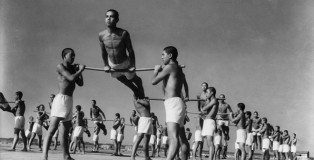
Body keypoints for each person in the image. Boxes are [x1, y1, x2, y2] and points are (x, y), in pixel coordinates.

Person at [42, 48, 85, 160]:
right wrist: (79, 70)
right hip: (61, 99)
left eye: (74, 55)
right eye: (71, 55)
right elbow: (71, 78)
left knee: (65, 131)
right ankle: (44, 157)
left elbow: (80, 83)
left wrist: (80, 71)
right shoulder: (60, 66)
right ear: (64, 56)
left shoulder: (72, 69)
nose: (73, 57)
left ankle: (66, 156)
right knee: (52, 129)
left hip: (69, 100)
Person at [152, 46, 190, 160]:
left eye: (163, 54)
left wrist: (156, 71)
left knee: (173, 137)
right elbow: (183, 82)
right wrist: (187, 95)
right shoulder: (178, 69)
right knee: (182, 138)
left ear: (170, 55)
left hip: (173, 104)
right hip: (178, 103)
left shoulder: (169, 67)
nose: (161, 57)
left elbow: (153, 81)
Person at [99, 9, 145, 99]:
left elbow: (130, 50)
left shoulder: (123, 33)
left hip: (125, 63)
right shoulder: (101, 35)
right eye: (107, 16)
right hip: (112, 64)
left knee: (136, 80)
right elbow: (103, 52)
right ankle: (135, 90)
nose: (108, 19)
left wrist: (132, 65)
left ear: (117, 20)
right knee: (120, 78)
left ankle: (142, 97)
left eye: (111, 17)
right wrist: (105, 65)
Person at [200, 87, 219, 160]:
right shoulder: (211, 100)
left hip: (210, 122)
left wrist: (207, 101)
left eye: (207, 92)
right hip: (207, 121)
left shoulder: (214, 100)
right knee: (208, 143)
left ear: (212, 93)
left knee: (210, 143)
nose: (206, 94)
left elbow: (204, 108)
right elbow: (204, 110)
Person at [216, 94, 233, 158]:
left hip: (226, 119)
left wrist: (232, 118)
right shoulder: (217, 104)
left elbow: (231, 111)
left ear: (224, 99)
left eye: (222, 98)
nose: (221, 99)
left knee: (225, 136)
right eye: (220, 98)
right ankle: (217, 153)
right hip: (220, 118)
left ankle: (224, 154)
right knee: (219, 133)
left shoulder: (227, 104)